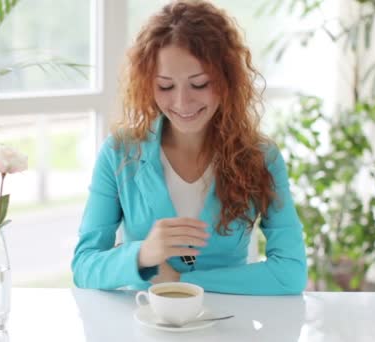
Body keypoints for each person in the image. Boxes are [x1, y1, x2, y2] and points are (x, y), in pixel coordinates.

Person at [71, 0, 307, 295]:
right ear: (147, 84)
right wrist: (143, 254)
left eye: (199, 84)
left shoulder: (261, 158)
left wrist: (181, 284)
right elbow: (84, 266)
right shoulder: (120, 153)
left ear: (227, 80)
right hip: (145, 326)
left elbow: (290, 273)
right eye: (166, 86)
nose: (182, 103)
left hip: (230, 326)